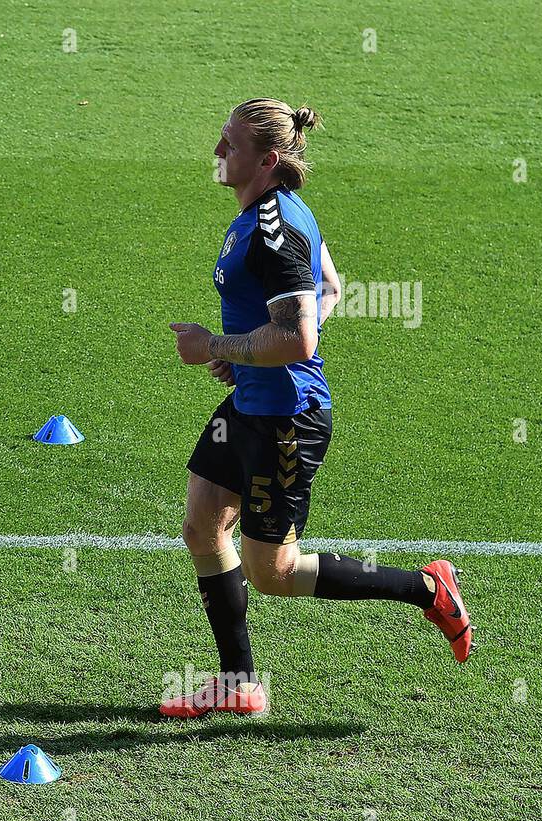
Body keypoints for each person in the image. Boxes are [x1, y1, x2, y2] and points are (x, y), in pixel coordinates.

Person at [162, 98, 472, 718]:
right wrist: (248, 356)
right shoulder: (259, 214)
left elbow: (300, 339)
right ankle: (238, 683)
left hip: (286, 419)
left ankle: (425, 586)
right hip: (252, 401)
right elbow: (330, 288)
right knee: (201, 522)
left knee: (272, 572)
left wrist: (216, 347)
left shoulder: (277, 229)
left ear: (267, 159)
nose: (218, 153)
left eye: (229, 143)